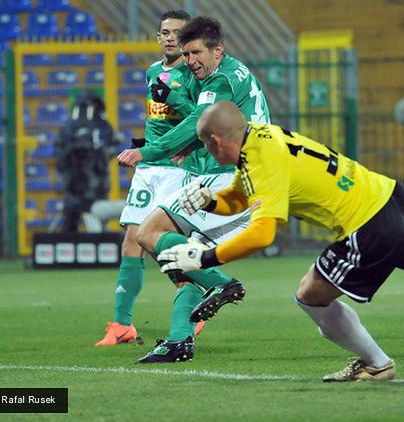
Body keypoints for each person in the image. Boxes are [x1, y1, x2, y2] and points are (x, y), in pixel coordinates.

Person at [157, 101, 404, 382]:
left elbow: (263, 234)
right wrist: (210, 202)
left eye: (206, 146)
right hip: (396, 199)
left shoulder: (259, 160)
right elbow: (243, 196)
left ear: (214, 141)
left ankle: (376, 364)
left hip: (369, 224)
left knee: (310, 295)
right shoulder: (261, 135)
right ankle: (375, 364)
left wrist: (205, 258)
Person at [116, 16, 271, 363]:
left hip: (226, 178)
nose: (191, 61)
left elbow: (195, 122)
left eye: (196, 52)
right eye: (186, 55)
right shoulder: (236, 72)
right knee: (183, 257)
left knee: (148, 232)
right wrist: (194, 147)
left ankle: (220, 282)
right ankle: (179, 339)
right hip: (244, 176)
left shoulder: (222, 78)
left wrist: (149, 151)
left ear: (218, 50)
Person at [96, 10, 209, 347]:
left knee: (160, 243)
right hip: (149, 168)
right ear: (158, 37)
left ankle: (192, 307)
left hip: (179, 167)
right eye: (165, 32)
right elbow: (157, 120)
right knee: (132, 240)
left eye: (177, 32)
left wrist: (176, 102)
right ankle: (122, 325)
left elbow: (200, 120)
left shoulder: (194, 75)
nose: (170, 37)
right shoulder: (152, 72)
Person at [57, 89, 118, 232]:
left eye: (90, 104)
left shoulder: (103, 126)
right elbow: (60, 151)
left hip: (97, 180)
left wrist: (100, 153)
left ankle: (100, 243)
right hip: (74, 181)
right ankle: (67, 244)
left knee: (98, 215)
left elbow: (112, 146)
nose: (87, 107)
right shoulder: (69, 127)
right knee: (71, 216)